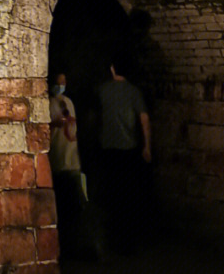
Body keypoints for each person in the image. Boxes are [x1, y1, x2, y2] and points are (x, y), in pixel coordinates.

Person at [92, 63, 151, 252]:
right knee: (129, 194)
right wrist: (147, 146)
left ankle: (112, 239)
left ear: (112, 69)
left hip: (108, 148)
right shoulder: (134, 92)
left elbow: (94, 117)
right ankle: (129, 241)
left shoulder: (102, 90)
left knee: (111, 194)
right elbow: (144, 118)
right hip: (130, 148)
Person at [48, 73, 89, 256]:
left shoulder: (69, 102)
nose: (61, 85)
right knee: (61, 207)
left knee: (76, 206)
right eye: (58, 82)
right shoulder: (48, 104)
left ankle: (75, 245)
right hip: (57, 161)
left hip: (72, 161)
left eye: (64, 82)